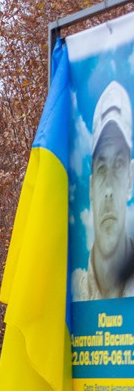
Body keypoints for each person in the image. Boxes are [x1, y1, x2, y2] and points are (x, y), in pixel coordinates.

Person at [73, 80, 134, 301]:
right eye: (101, 168)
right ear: (90, 187)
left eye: (118, 165)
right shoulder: (73, 294)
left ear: (130, 180)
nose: (108, 189)